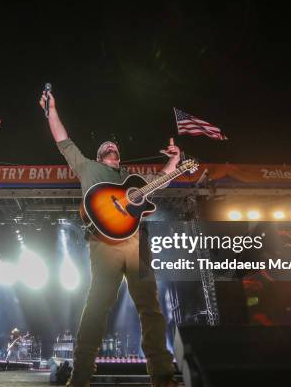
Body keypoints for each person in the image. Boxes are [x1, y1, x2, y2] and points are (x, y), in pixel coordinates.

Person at [40, 91, 180, 387]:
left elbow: (160, 180)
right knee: (97, 306)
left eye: (115, 146)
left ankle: (163, 377)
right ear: (100, 153)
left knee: (151, 308)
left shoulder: (132, 179)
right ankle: (79, 378)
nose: (111, 147)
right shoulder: (88, 167)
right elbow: (63, 141)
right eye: (106, 146)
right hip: (104, 241)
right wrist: (52, 109)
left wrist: (175, 164)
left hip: (137, 243)